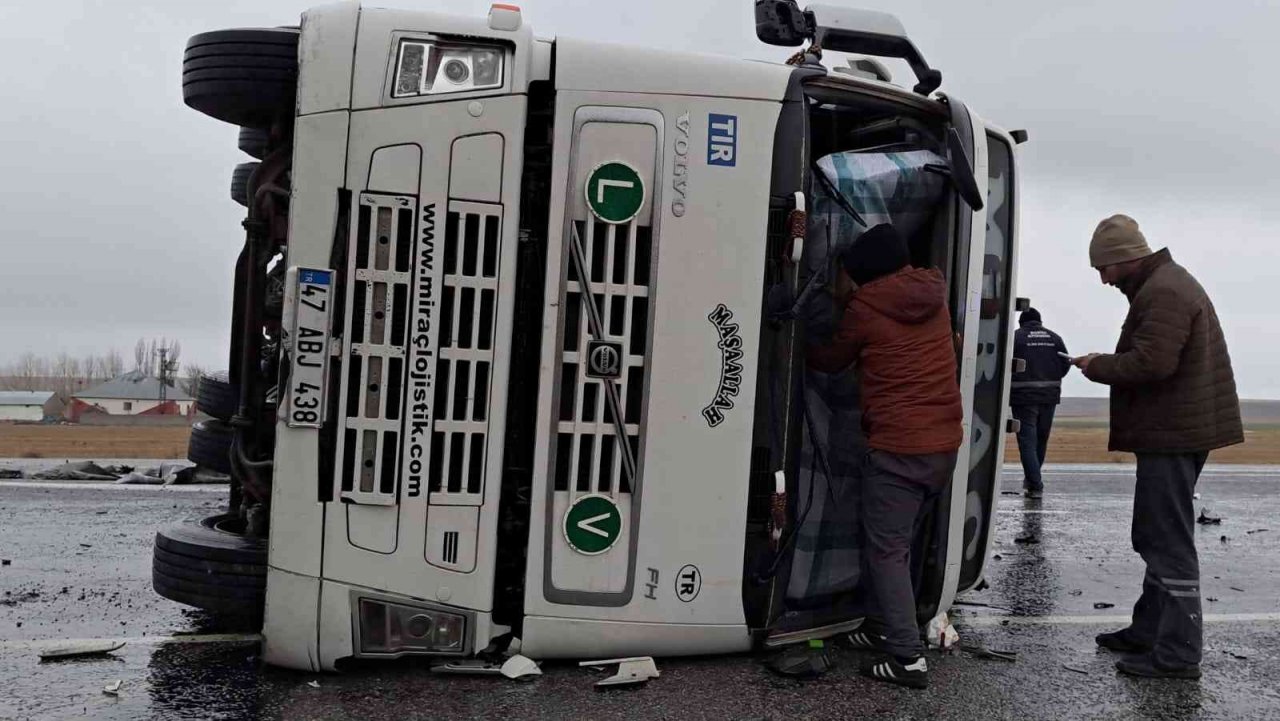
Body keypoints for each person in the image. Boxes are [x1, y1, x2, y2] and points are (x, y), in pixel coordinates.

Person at [1071, 214, 1242, 680]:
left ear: (1125, 258)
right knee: (1158, 533)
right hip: (1178, 429)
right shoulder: (1164, 283)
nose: (1104, 280)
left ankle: (1178, 654)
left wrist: (1097, 365)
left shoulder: (1163, 291)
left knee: (1166, 540)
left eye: (1104, 268)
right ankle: (1149, 630)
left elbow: (1152, 363)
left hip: (1174, 434)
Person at [806, 223, 963, 690]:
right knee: (898, 546)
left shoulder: (866, 307)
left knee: (887, 551)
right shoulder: (934, 298)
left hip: (898, 448)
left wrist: (795, 335)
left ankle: (906, 658)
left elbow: (832, 359)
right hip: (941, 446)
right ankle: (881, 627)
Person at [1009, 307, 1071, 498]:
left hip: (1023, 397)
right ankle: (1032, 479)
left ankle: (1035, 484)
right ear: (1040, 321)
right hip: (1049, 396)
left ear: (1021, 322)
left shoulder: (1016, 338)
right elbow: (1065, 363)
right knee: (1041, 439)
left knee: (1027, 441)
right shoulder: (1054, 338)